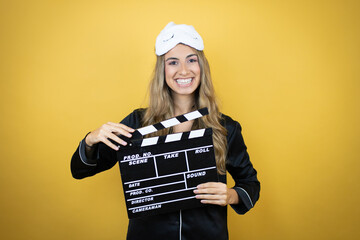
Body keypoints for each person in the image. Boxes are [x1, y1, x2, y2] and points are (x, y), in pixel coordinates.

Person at [71, 22, 260, 240]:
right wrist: (90, 141)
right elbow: (80, 170)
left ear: (202, 67)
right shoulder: (138, 123)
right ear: (163, 70)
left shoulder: (225, 127)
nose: (184, 70)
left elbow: (250, 183)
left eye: (191, 59)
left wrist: (231, 195)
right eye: (173, 62)